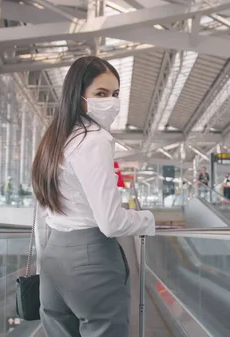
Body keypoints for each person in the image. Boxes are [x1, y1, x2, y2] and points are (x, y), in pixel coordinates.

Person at [31, 56, 155, 337]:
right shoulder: (94, 139)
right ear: (79, 96)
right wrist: (146, 219)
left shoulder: (54, 139)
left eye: (115, 94)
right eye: (101, 93)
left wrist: (45, 259)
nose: (111, 101)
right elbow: (110, 222)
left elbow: (43, 211)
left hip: (52, 258)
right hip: (91, 258)